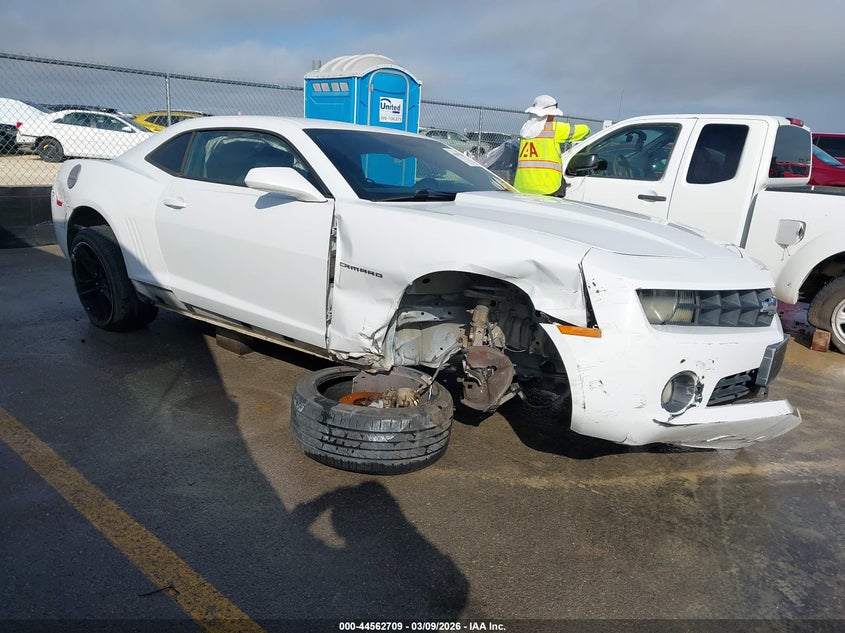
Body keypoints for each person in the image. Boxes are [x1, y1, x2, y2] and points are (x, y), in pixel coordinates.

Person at [513, 94, 591, 196]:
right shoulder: (555, 129)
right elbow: (584, 130)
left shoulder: (525, 131)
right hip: (548, 187)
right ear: (549, 114)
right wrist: (588, 130)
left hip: (521, 187)